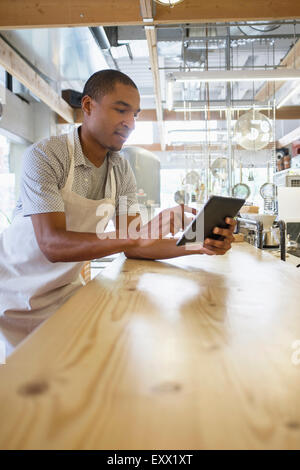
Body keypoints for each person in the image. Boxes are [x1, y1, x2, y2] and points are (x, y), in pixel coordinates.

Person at [0, 69, 236, 346]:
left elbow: (134, 244)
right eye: (121, 110)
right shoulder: (46, 156)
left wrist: (197, 244)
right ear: (88, 106)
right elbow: (52, 245)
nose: (130, 123)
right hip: (12, 295)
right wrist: (140, 234)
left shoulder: (120, 168)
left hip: (65, 293)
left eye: (135, 114)